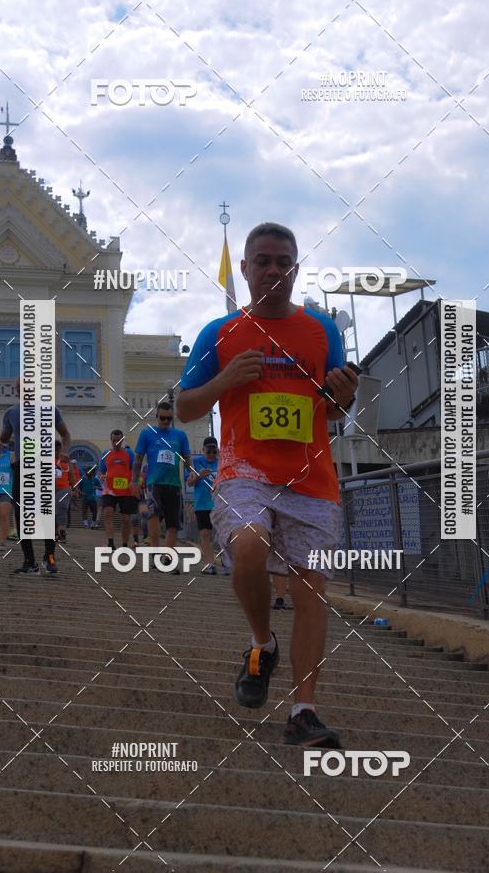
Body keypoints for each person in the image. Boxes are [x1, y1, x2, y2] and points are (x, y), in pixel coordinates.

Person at [177, 221, 357, 747]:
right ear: (248, 270)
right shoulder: (220, 333)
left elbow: (335, 411)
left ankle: (303, 710)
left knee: (310, 591)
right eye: (263, 261)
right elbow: (184, 407)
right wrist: (223, 381)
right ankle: (262, 644)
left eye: (284, 261)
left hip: (311, 479)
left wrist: (347, 393)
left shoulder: (324, 332)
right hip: (244, 472)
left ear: (295, 268)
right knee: (249, 547)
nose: (274, 269)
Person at [0, 377, 71, 575]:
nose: (21, 392)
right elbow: (4, 437)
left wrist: (64, 450)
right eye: (18, 389)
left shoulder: (50, 409)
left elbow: (65, 434)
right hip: (22, 467)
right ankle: (29, 562)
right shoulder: (12, 412)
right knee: (21, 514)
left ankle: (49, 558)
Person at [132, 402, 191, 574]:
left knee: (173, 524)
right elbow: (138, 459)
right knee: (153, 516)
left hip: (174, 484)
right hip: (154, 483)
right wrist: (134, 481)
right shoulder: (147, 434)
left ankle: (167, 558)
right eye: (162, 418)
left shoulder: (180, 435)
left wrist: (191, 473)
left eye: (168, 418)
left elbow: (187, 458)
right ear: (156, 417)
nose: (165, 421)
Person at [186, 436, 219, 575]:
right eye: (208, 451)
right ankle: (209, 563)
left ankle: (228, 562)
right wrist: (199, 476)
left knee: (222, 536)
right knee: (205, 534)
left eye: (214, 451)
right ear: (203, 450)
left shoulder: (223, 463)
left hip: (220, 504)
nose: (211, 454)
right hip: (202, 504)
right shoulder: (196, 462)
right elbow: (189, 483)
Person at [100, 430, 137, 551]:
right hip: (109, 489)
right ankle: (110, 542)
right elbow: (101, 470)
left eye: (119, 440)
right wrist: (101, 476)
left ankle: (125, 544)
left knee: (126, 518)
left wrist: (133, 481)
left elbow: (135, 468)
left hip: (126, 490)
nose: (116, 443)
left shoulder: (129, 453)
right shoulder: (106, 454)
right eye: (114, 440)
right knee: (107, 512)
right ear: (111, 440)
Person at [55, 440, 77, 545]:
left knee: (61, 507)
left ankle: (62, 533)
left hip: (63, 488)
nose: (54, 452)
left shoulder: (66, 461)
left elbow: (72, 477)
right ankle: (54, 532)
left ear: (59, 450)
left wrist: (75, 489)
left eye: (56, 450)